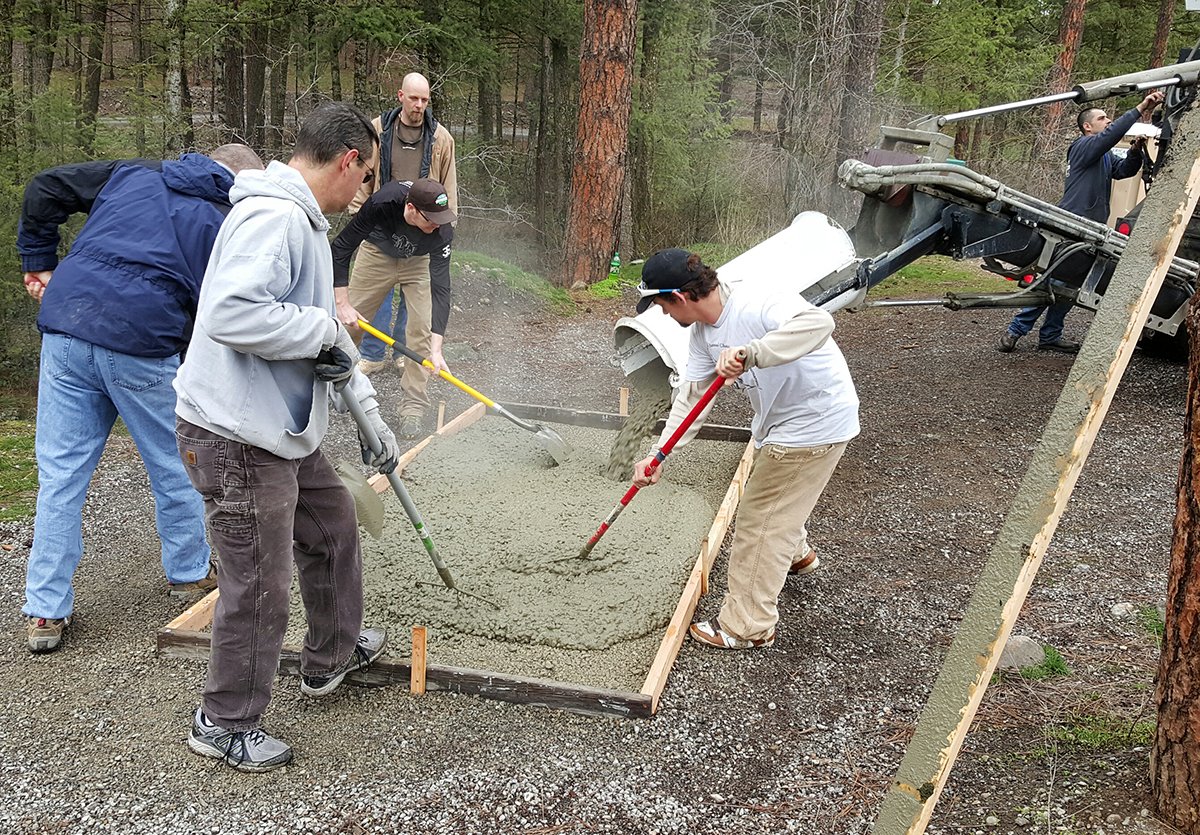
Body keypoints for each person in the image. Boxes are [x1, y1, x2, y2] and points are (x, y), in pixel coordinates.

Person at [174, 102, 393, 772]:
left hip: (280, 429)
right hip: (236, 435)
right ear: (349, 160)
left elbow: (322, 339)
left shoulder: (304, 222)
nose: (363, 192)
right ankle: (225, 720)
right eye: (366, 177)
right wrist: (319, 333)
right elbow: (232, 313)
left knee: (332, 525)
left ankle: (332, 654)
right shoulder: (273, 216)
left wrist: (370, 414)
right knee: (259, 582)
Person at [16, 144, 264, 654]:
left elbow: (46, 186)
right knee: (173, 464)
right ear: (241, 180)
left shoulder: (133, 174)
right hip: (143, 340)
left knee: (60, 474)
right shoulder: (231, 216)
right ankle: (189, 573)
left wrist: (39, 263)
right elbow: (218, 313)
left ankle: (45, 608)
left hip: (66, 323)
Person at [630, 249, 859, 651]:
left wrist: (752, 353)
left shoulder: (758, 301)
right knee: (778, 500)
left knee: (759, 520)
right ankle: (797, 556)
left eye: (661, 306)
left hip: (813, 421)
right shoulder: (702, 334)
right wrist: (659, 453)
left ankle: (748, 626)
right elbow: (692, 397)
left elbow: (819, 323)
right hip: (781, 422)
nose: (663, 314)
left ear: (679, 297)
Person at [998, 89, 1165, 354]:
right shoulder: (1082, 146)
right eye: (1102, 118)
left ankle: (1050, 336)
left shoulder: (1103, 156)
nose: (1108, 121)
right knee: (1052, 279)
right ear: (1088, 127)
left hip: (1090, 228)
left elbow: (1124, 171)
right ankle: (1015, 330)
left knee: (1072, 283)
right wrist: (1140, 108)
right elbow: (1110, 137)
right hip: (1072, 225)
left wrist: (1135, 151)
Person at [332, 177, 457, 440]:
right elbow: (341, 247)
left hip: (418, 263)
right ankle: (329, 387)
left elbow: (441, 288)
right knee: (347, 327)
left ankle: (413, 407)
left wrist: (436, 349)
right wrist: (342, 304)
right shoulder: (383, 202)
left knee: (421, 330)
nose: (437, 225)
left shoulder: (442, 229)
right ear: (411, 208)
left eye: (440, 219)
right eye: (430, 220)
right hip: (376, 254)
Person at [351, 72, 458, 377]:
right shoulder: (378, 130)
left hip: (421, 230)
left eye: (424, 99)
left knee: (415, 306)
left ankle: (404, 354)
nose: (419, 105)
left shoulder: (441, 138)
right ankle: (372, 354)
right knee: (375, 296)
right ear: (400, 96)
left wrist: (446, 224)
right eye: (414, 98)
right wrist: (360, 213)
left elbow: (448, 184)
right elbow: (363, 174)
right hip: (380, 227)